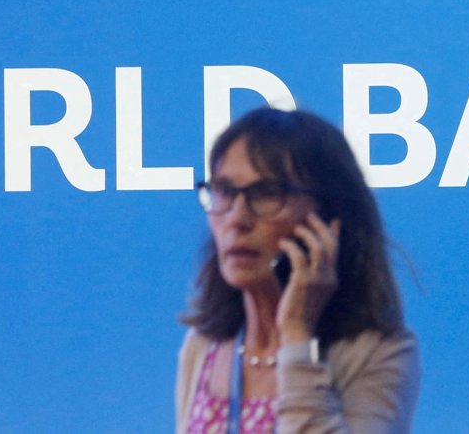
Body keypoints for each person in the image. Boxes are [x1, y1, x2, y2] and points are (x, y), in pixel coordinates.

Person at [176, 108, 419, 433]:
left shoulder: (378, 353)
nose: (236, 219)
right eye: (224, 191)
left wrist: (296, 337)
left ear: (327, 220)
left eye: (266, 194)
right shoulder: (205, 345)